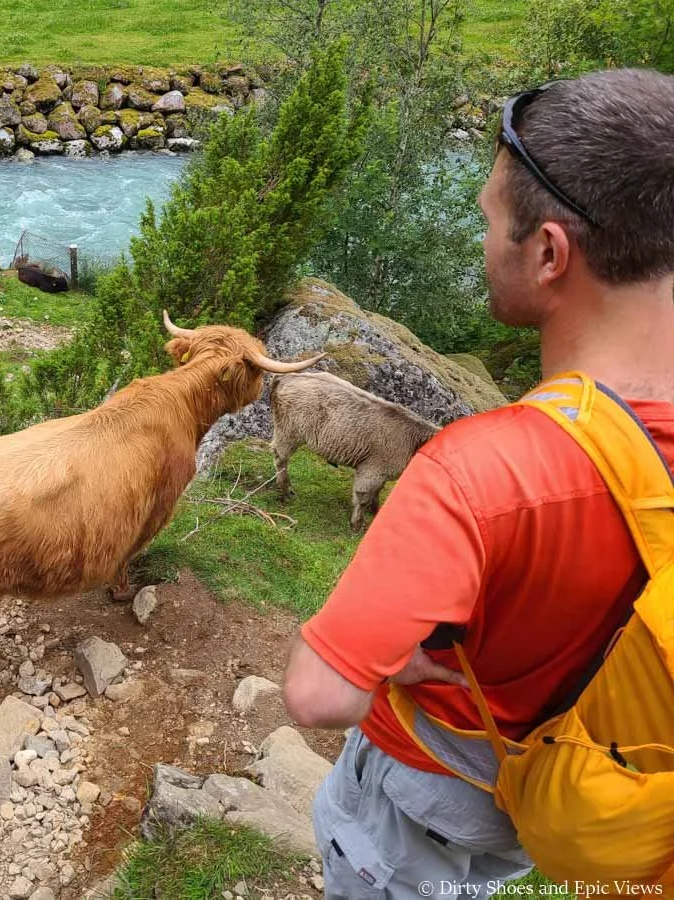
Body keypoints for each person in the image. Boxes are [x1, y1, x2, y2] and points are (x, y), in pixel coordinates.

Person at [282, 67, 674, 899]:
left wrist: (385, 663)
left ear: (548, 253)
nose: (482, 238)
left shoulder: (479, 471)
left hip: (429, 791)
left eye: (490, 221)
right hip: (580, 782)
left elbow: (316, 694)